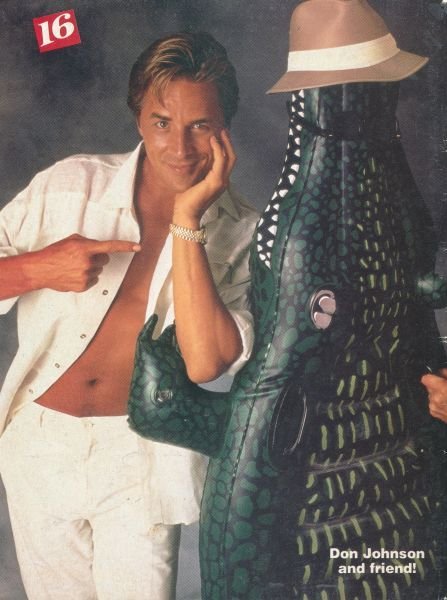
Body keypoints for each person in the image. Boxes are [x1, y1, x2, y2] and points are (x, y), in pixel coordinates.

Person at [0, 32, 258, 599]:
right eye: (162, 122)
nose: (180, 147)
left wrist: (189, 219)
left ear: (225, 126)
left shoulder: (243, 230)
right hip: (40, 443)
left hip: (140, 454)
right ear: (138, 118)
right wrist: (40, 267)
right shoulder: (71, 184)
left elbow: (206, 362)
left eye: (200, 125)